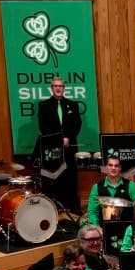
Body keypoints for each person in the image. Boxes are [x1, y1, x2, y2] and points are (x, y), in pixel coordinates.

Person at [36, 75, 82, 213]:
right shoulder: (44, 106)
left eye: (61, 86)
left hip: (69, 147)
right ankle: (53, 208)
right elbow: (43, 127)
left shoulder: (72, 105)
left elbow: (77, 125)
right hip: (52, 149)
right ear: (52, 88)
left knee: (71, 176)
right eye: (56, 86)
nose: (58, 89)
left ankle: (73, 207)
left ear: (64, 88)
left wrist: (68, 137)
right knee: (54, 177)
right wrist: (58, 139)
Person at [85, 155, 135, 227]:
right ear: (106, 167)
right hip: (103, 228)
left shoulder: (131, 186)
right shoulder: (96, 187)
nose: (113, 168)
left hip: (127, 228)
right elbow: (92, 212)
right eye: (110, 165)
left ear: (120, 168)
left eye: (116, 166)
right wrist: (97, 228)